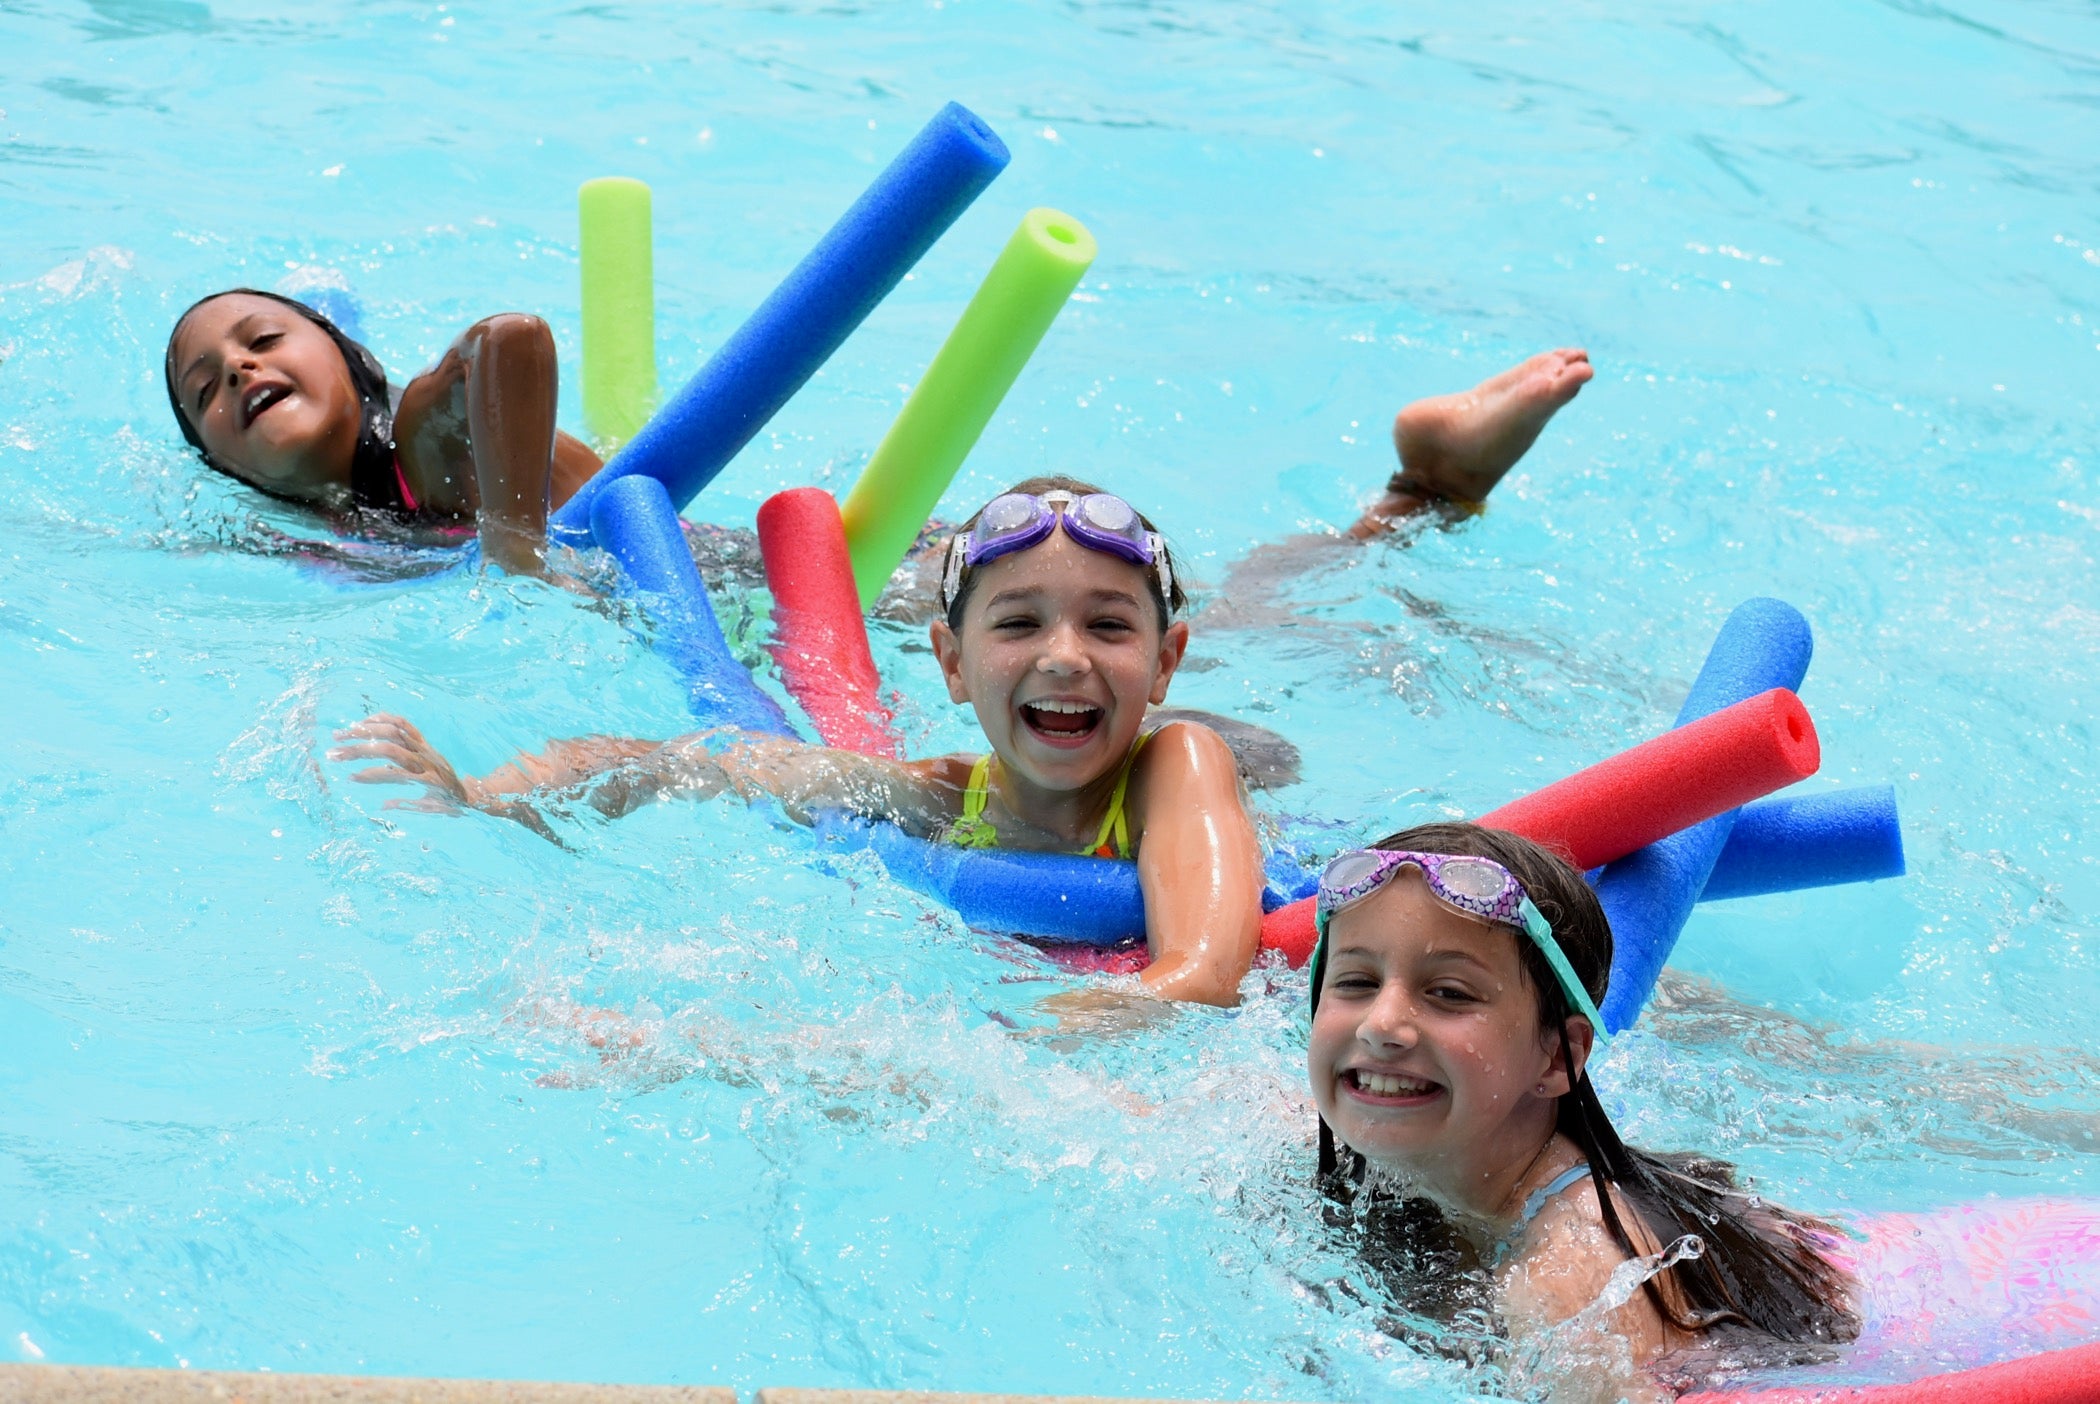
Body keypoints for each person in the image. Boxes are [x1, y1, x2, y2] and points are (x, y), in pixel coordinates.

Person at [333, 477, 1270, 1007]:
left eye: (1109, 628)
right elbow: (690, 761)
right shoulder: (943, 800)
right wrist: (485, 795)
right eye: (1019, 624)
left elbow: (1208, 967)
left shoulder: (1175, 766)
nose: (1064, 658)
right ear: (949, 663)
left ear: (1165, 662)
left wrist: (1129, 1003)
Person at [1304, 821, 1858, 1400]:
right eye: (1357, 981)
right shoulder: (1424, 1145)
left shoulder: (1572, 1287)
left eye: (1449, 993)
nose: (1381, 1025)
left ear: (1556, 1056)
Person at [163, 289, 602, 574]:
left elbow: (510, 336)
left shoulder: (424, 439)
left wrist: (515, 546)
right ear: (217, 461)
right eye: (205, 391)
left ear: (346, 354)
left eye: (264, 339)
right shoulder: (279, 532)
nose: (239, 368)